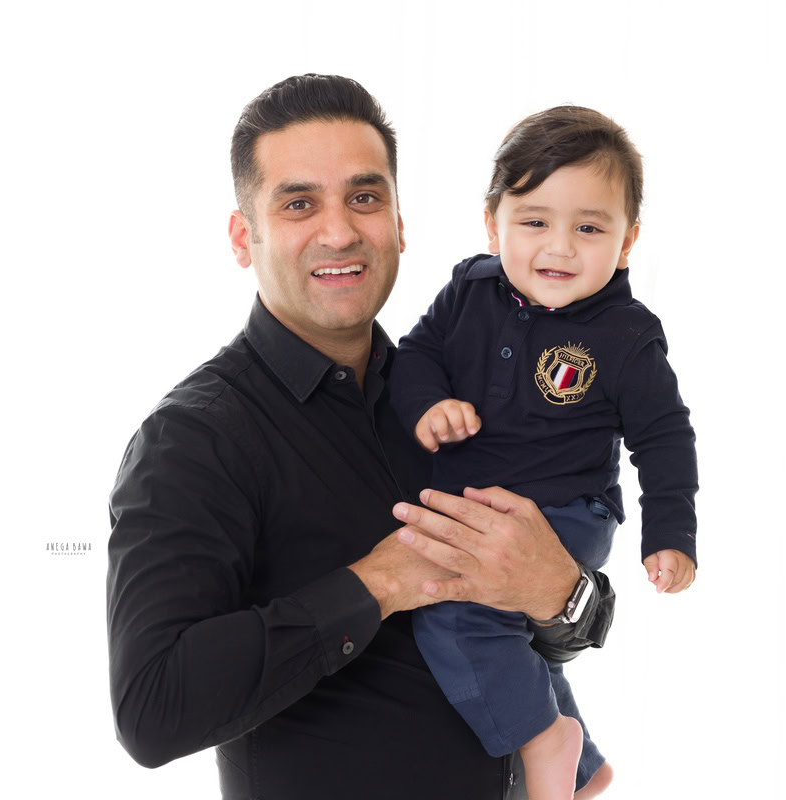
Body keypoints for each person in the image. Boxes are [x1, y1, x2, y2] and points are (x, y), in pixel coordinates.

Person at [106, 74, 619, 800]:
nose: (340, 230)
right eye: (298, 204)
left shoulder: (460, 398)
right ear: (242, 236)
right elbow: (152, 710)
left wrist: (561, 592)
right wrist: (374, 585)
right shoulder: (192, 440)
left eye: (365, 198)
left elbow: (541, 632)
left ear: (400, 223)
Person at [388, 106, 700, 799]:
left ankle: (541, 743)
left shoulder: (626, 335)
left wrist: (671, 532)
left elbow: (665, 437)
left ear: (627, 242)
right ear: (492, 222)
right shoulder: (468, 290)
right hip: (478, 501)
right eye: (534, 222)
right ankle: (583, 770)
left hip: (566, 510)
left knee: (457, 610)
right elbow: (415, 357)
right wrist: (429, 404)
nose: (559, 248)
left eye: (588, 228)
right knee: (514, 638)